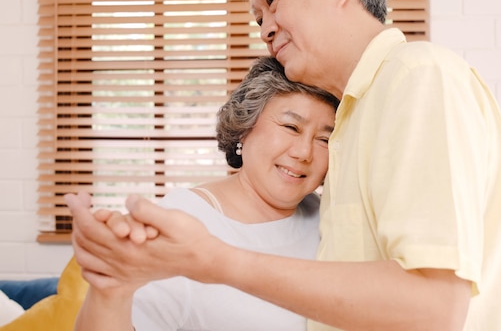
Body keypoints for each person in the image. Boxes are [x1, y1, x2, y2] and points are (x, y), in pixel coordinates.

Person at [67, 0, 501, 330]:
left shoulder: (417, 77)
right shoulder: (359, 112)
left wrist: (215, 260)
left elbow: (433, 308)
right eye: (256, 15)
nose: (265, 26)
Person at [67, 56, 339, 331]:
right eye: (291, 127)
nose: (304, 153)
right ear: (245, 127)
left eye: (324, 139)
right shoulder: (183, 220)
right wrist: (110, 291)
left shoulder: (328, 218)